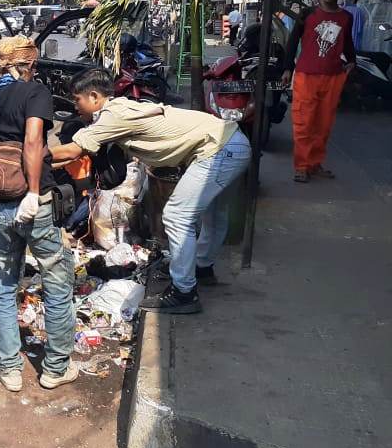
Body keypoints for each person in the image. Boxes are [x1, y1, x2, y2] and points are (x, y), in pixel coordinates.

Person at [49, 68, 251, 314]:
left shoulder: (113, 116)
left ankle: (184, 292)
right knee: (213, 215)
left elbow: (72, 151)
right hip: (229, 142)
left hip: (219, 150)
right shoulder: (120, 107)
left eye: (76, 99)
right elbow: (79, 153)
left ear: (93, 96)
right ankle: (201, 267)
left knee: (177, 216)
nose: (75, 105)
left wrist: (28, 157)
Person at [0, 36, 76, 393]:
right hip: (37, 202)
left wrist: (1, 186)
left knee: (4, 285)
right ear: (27, 65)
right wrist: (30, 190)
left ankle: (10, 368)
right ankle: (55, 367)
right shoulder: (36, 93)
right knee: (56, 281)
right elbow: (32, 142)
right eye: (34, 66)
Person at [281, 0, 356, 183]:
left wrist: (352, 60)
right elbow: (293, 39)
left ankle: (315, 163)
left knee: (323, 124)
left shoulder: (346, 17)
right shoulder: (307, 14)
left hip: (333, 76)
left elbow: (347, 40)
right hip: (306, 75)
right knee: (304, 122)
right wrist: (287, 67)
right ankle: (302, 166)